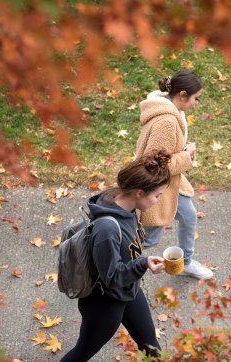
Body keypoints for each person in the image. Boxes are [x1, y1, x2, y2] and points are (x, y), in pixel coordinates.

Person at [60, 151, 170, 362]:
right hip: (104, 304)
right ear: (139, 192)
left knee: (152, 349)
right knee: (82, 353)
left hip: (128, 290)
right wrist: (143, 263)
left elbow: (127, 252)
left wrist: (141, 260)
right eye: (157, 195)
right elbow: (111, 275)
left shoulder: (127, 206)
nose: (158, 201)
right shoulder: (107, 229)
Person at [135, 69, 213, 280]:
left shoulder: (173, 112)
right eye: (196, 98)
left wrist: (183, 150)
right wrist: (186, 156)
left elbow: (164, 152)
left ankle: (185, 262)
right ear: (182, 95)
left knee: (188, 217)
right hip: (156, 188)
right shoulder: (166, 121)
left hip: (169, 185)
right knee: (148, 238)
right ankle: (112, 263)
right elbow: (154, 164)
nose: (197, 103)